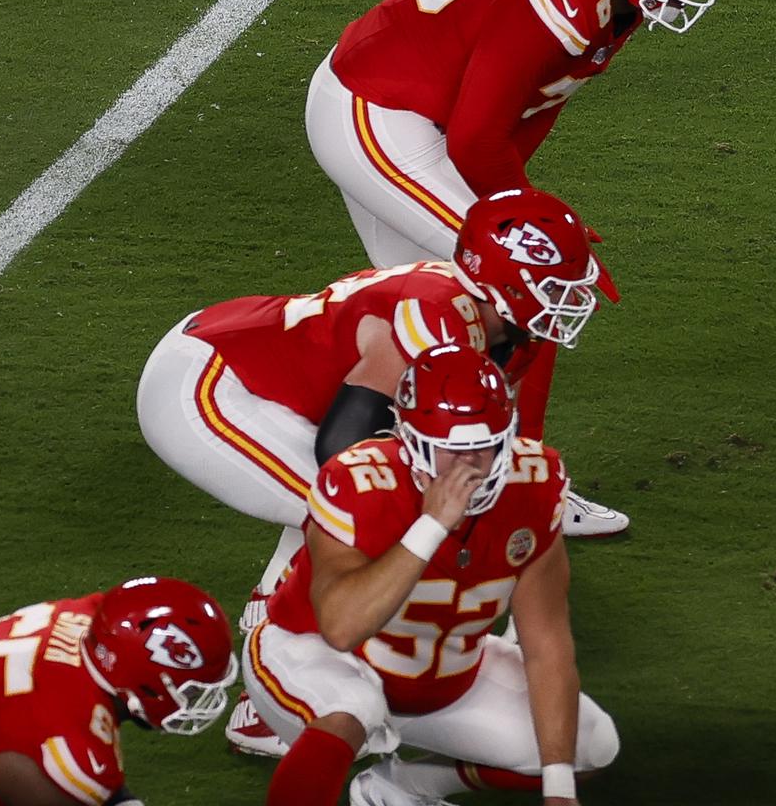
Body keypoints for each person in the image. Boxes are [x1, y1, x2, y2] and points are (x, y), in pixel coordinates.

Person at [308, 0, 717, 535]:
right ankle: (527, 483)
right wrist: (530, 226)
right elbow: (477, 136)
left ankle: (404, 468)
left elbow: (531, 105)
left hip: (416, 116)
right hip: (379, 113)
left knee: (433, 313)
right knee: (535, 284)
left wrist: (520, 202)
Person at [134, 189, 613, 753]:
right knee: (357, 514)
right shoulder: (436, 315)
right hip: (210, 385)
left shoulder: (507, 331)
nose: (573, 298)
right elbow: (344, 448)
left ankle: (272, 672)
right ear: (506, 281)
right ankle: (270, 694)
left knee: (376, 515)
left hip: (267, 387)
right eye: (556, 286)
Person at [245, 345, 613, 806]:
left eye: (487, 445)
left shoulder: (534, 484)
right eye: (452, 450)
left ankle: (398, 789)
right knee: (351, 705)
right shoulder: (358, 481)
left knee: (590, 746)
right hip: (312, 657)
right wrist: (431, 526)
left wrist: (558, 792)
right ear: (410, 441)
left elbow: (547, 643)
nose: (472, 466)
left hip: (443, 676)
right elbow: (341, 628)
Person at [0, 578, 234, 806]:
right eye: (188, 687)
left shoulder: (87, 617)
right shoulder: (68, 745)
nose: (192, 699)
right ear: (141, 680)